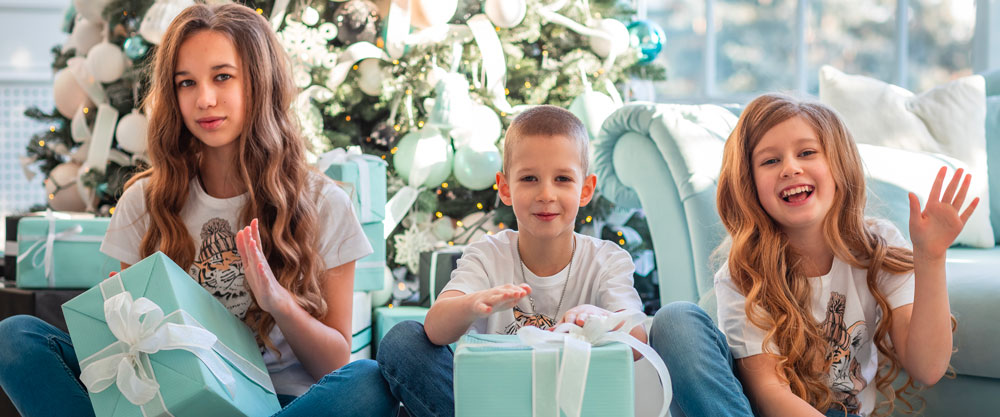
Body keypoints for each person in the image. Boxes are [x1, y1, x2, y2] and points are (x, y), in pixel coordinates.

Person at [0, 4, 396, 417]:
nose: (204, 99)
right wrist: (125, 324)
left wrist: (277, 300)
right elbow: (132, 358)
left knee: (367, 381)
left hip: (280, 406)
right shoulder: (145, 202)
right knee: (16, 337)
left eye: (222, 76)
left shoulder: (323, 202)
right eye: (186, 83)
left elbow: (333, 363)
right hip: (175, 399)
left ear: (261, 82)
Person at [712, 93, 977, 417]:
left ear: (839, 165)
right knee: (677, 322)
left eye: (807, 152)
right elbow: (768, 392)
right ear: (749, 183)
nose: (790, 168)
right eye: (770, 161)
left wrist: (931, 257)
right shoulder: (743, 273)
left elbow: (928, 368)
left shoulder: (878, 245)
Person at [375, 105, 647, 417]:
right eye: (529, 178)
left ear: (585, 190)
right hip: (492, 406)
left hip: (570, 407)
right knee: (404, 341)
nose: (546, 194)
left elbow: (639, 342)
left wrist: (600, 317)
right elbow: (435, 328)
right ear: (505, 188)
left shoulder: (606, 260)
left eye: (562, 179)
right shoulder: (487, 253)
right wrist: (473, 303)